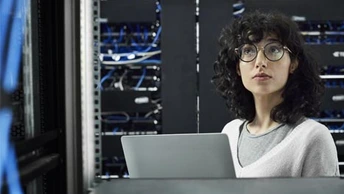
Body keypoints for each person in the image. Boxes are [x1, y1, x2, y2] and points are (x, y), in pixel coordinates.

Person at [212, 10, 339, 178]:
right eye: (249, 51)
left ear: (293, 63)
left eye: (273, 50)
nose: (260, 62)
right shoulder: (229, 132)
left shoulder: (312, 137)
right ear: (238, 67)